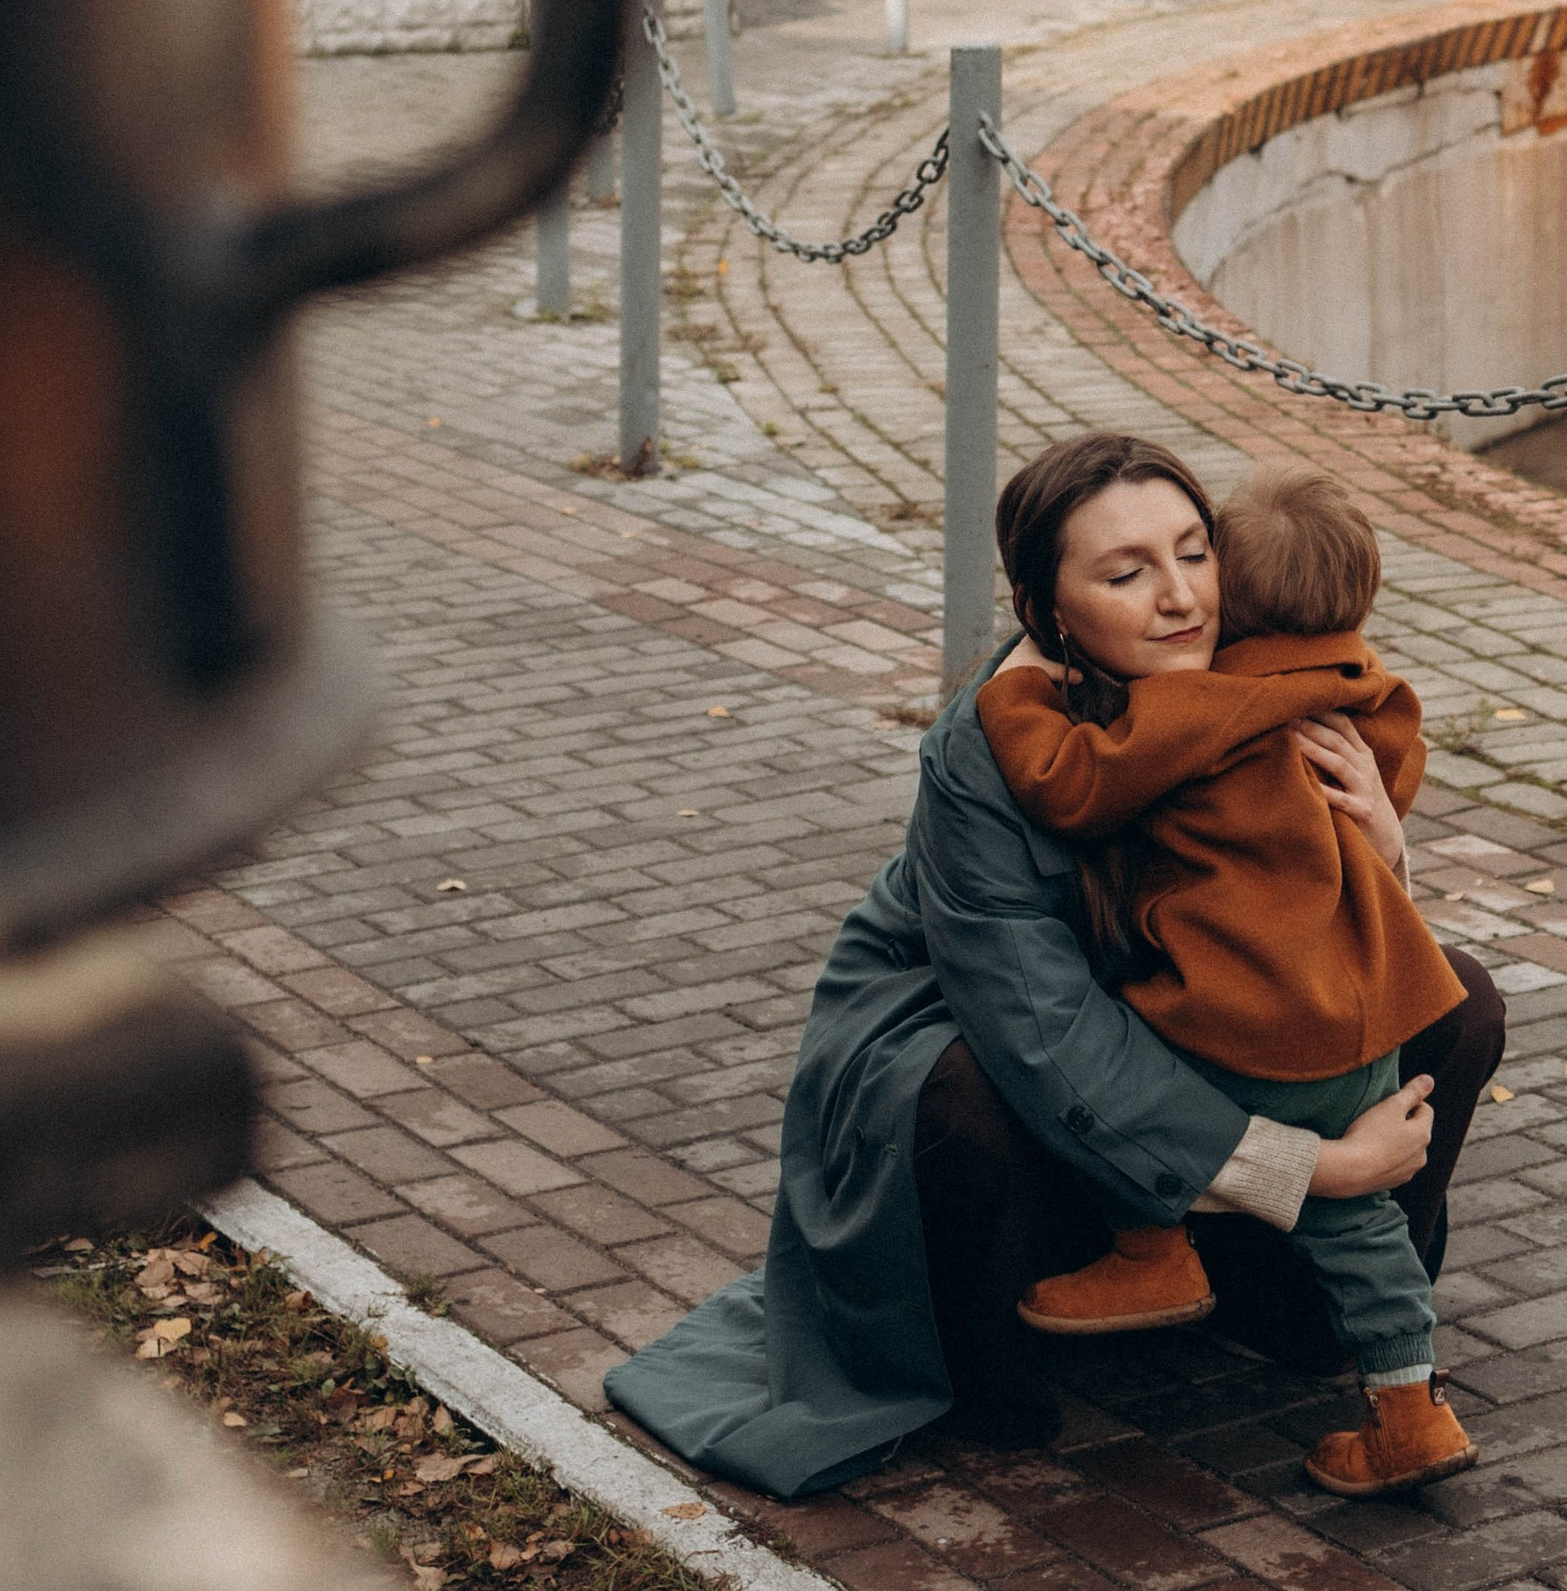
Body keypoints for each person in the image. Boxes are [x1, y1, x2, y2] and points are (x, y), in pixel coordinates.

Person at [603, 432, 1504, 1504]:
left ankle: (1292, 1305)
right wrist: (1315, 1169)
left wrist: (1383, 844)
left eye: (1194, 552)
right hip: (980, 1035)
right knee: (960, 1094)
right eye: (1126, 574)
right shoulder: (990, 751)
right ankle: (992, 1351)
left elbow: (1297, 913)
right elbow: (1047, 1031)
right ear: (1049, 610)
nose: (1180, 598)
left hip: (1177, 1017)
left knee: (1456, 1004)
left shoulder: (1245, 674)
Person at [975, 465, 1478, 1493]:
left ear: (1230, 595)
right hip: (1359, 1020)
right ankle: (1410, 1410)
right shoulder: (1371, 692)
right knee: (1358, 1218)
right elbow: (1387, 784)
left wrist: (1014, 691)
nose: (1178, 594)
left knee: (1120, 1041)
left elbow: (1069, 784)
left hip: (1244, 1017)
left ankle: (1151, 1249)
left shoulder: (1200, 709)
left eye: (1197, 560)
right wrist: (1383, 830)